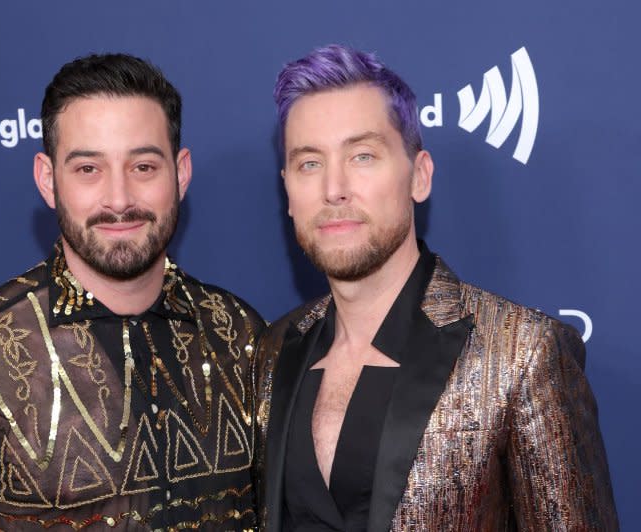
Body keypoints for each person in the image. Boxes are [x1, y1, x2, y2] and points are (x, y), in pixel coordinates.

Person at [0, 53, 263, 531]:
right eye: (88, 169)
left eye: (143, 166)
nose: (119, 199)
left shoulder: (241, 336)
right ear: (47, 179)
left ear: (180, 175)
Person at [254, 44, 618, 531]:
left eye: (362, 155)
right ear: (289, 192)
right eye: (309, 163)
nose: (333, 188)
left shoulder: (523, 354)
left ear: (419, 176)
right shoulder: (274, 350)